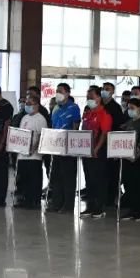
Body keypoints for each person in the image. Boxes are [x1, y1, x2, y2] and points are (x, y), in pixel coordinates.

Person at [47, 84, 81, 212]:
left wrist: (70, 143)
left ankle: (68, 205)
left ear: (67, 93)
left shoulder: (74, 107)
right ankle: (56, 203)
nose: (57, 93)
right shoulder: (56, 108)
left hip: (68, 148)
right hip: (56, 147)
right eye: (56, 91)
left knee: (68, 177)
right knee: (56, 176)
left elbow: (76, 126)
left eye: (60, 91)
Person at [80, 86, 113, 218]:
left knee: (99, 179)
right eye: (87, 97)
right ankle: (90, 206)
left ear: (99, 98)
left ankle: (99, 207)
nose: (89, 99)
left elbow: (104, 134)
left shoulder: (104, 114)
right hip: (86, 151)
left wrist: (96, 149)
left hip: (99, 152)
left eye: (91, 97)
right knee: (89, 179)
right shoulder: (88, 113)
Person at [119, 97, 140, 221]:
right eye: (128, 108)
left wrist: (138, 155)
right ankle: (132, 209)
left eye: (132, 108)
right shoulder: (128, 122)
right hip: (128, 159)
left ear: (139, 108)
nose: (130, 110)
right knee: (129, 184)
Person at [13, 94, 48, 209]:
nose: (26, 105)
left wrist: (33, 150)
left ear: (36, 105)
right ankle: (25, 199)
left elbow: (42, 137)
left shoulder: (40, 119)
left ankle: (34, 201)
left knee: (34, 179)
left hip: (34, 156)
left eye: (29, 103)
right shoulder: (24, 118)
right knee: (23, 178)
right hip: (22, 154)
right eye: (26, 103)